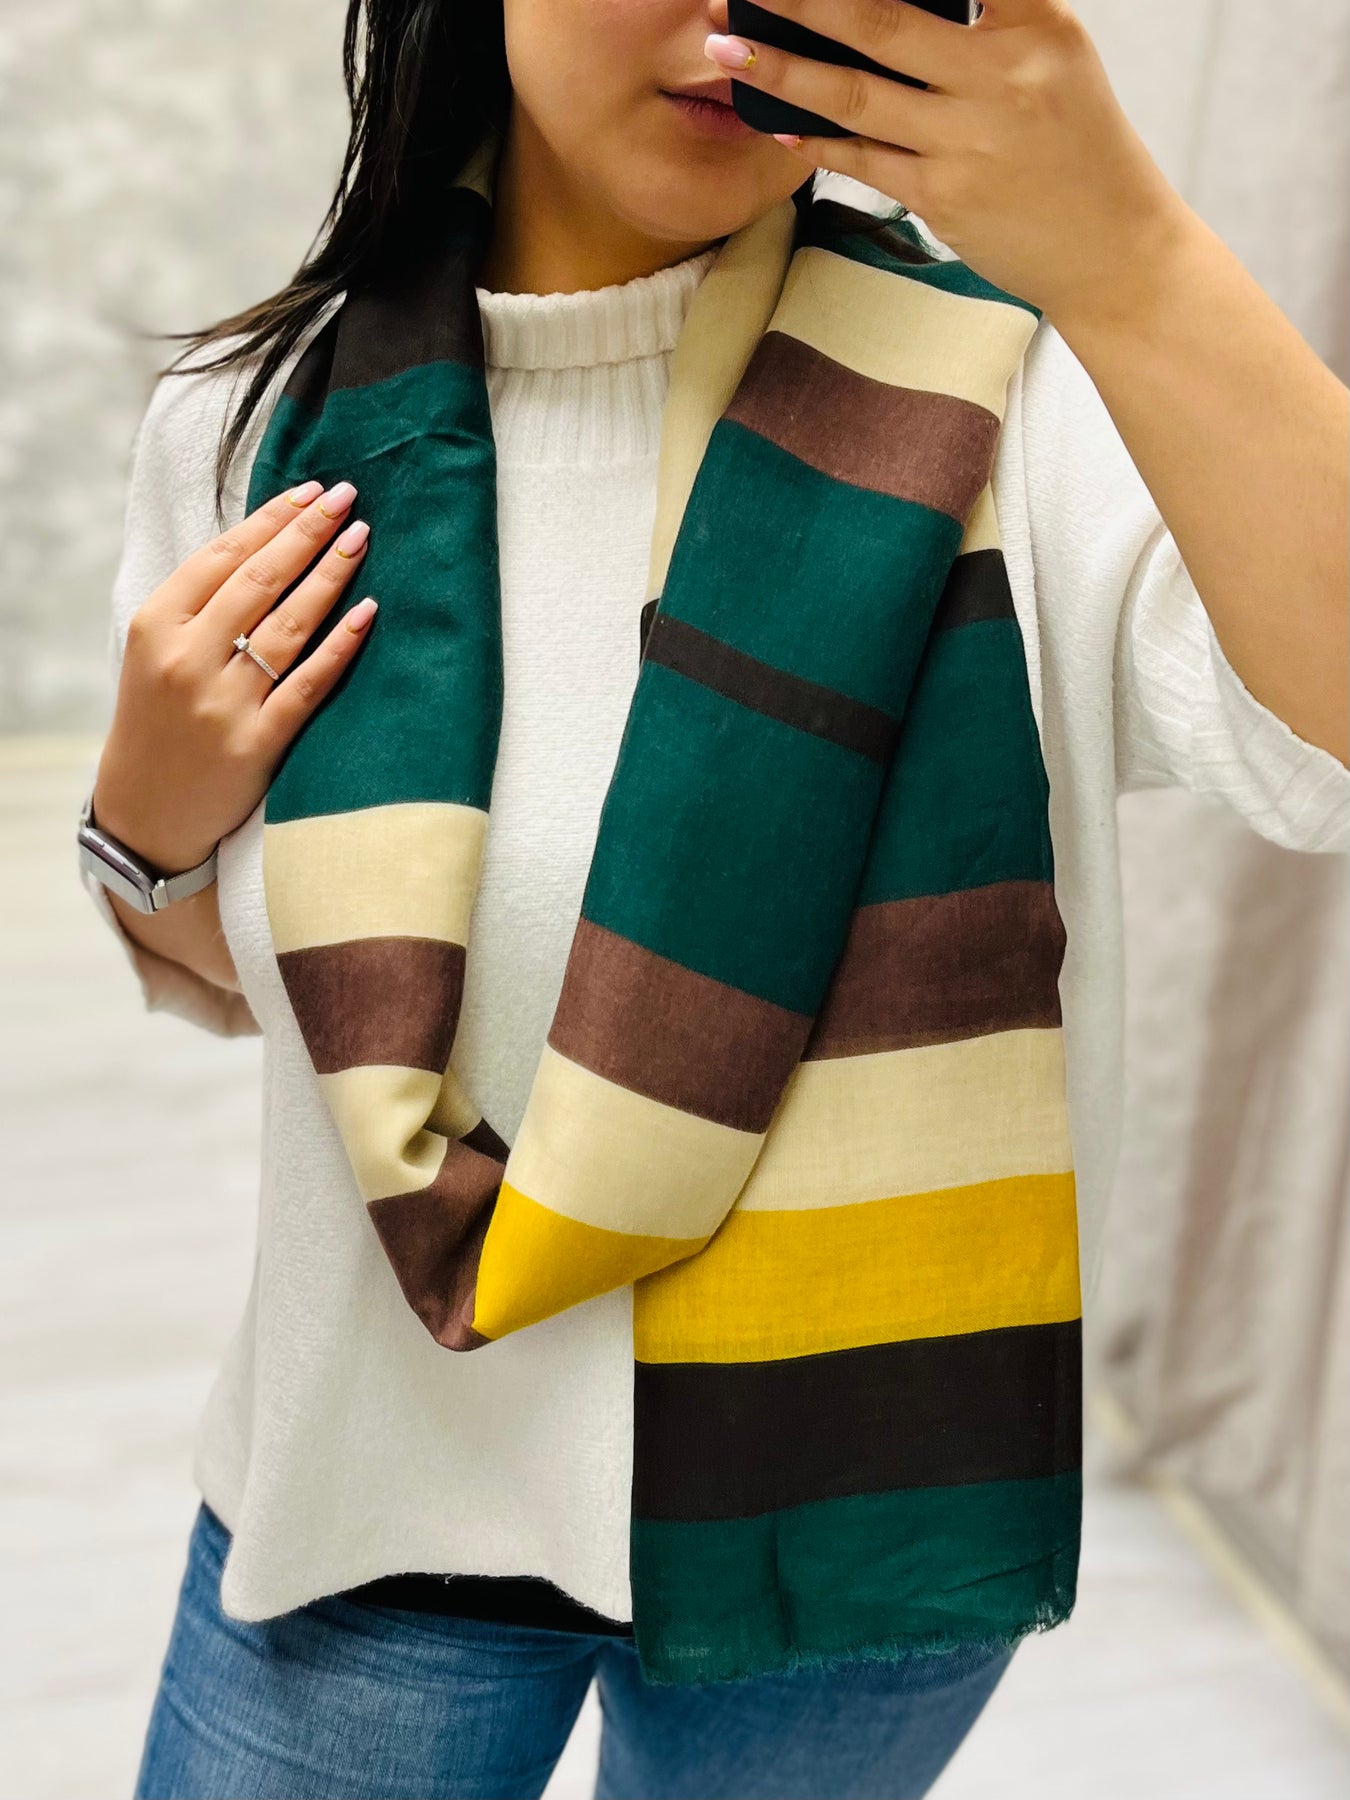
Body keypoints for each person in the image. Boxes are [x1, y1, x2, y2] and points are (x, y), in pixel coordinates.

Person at [79, 1, 1349, 1795]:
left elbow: (1323, 757)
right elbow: (243, 976)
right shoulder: (255, 426)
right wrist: (139, 820)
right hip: (376, 1491)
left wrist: (1132, 255)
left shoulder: (1023, 406)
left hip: (859, 1509)